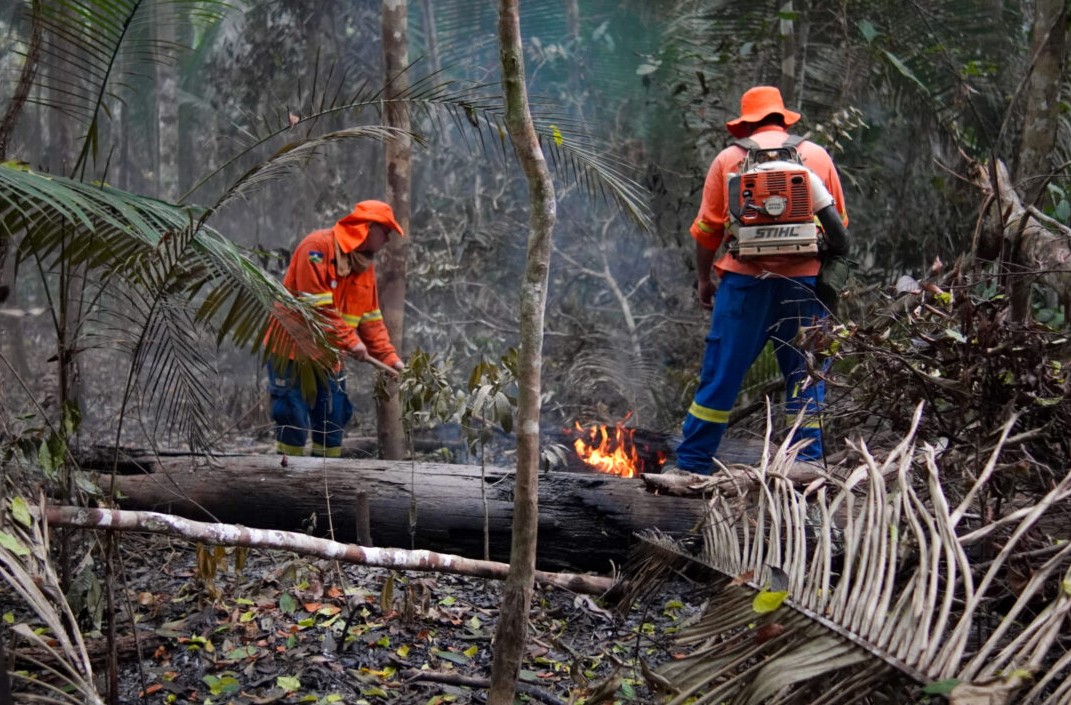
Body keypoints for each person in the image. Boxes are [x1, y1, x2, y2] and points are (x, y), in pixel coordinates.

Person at [672, 86, 849, 475]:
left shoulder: (729, 159)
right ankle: (803, 465)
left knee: (721, 376)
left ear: (745, 123)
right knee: (806, 377)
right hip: (805, 287)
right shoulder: (815, 156)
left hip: (745, 285)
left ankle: (692, 464)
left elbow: (707, 231)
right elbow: (841, 227)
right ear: (782, 118)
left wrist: (705, 280)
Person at [265, 200, 407, 457]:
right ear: (367, 227)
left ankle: (328, 484)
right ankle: (287, 484)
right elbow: (317, 308)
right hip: (291, 352)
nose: (387, 238)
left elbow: (371, 319)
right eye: (385, 231)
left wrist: (390, 358)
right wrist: (352, 343)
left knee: (334, 417)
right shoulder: (316, 248)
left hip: (330, 357)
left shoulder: (364, 267)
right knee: (292, 417)